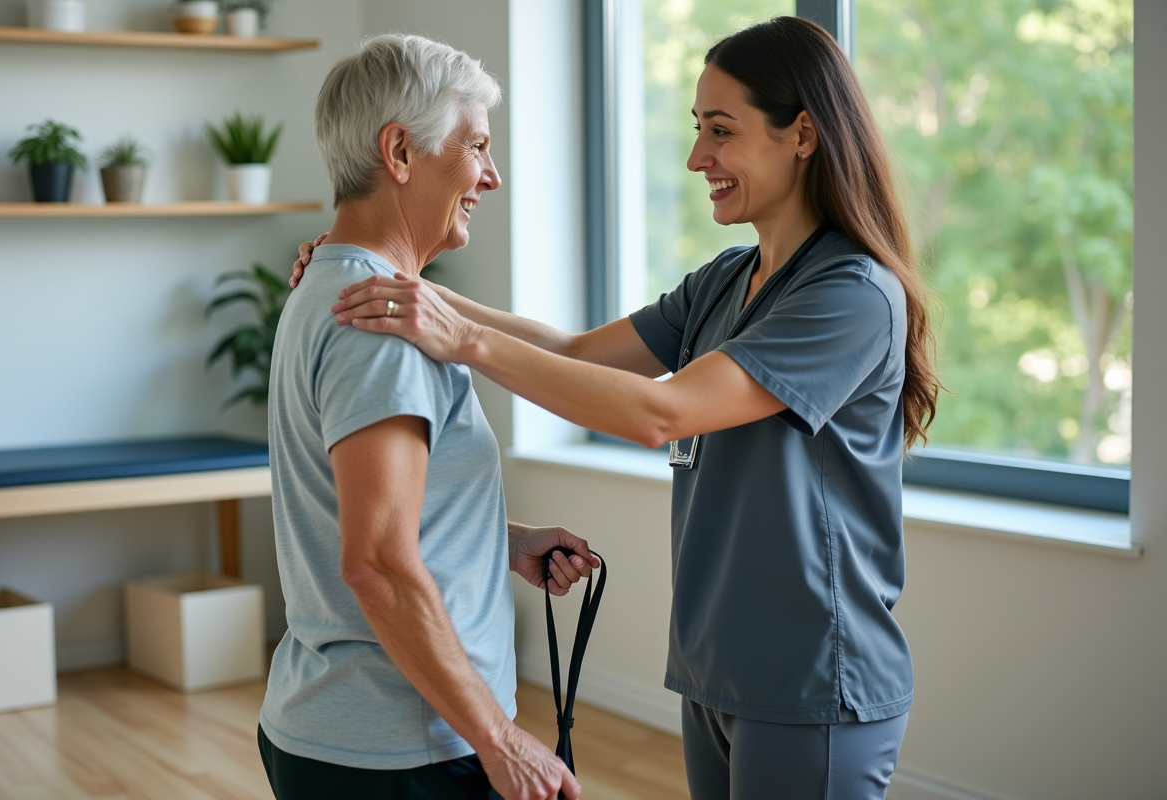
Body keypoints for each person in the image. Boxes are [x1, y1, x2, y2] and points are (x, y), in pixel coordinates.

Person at [295, 16, 942, 800]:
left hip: (813, 676)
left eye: (720, 131)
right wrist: (409, 293)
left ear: (801, 134)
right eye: (697, 129)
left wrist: (459, 333)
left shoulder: (851, 296)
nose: (698, 157)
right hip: (718, 668)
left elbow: (658, 415)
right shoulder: (730, 278)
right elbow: (573, 355)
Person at [261, 33, 600, 800]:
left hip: (336, 727)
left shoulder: (326, 287)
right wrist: (500, 740)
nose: (493, 174)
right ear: (400, 153)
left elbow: (364, 514)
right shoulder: (382, 325)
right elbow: (376, 563)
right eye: (477, 145)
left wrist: (496, 540)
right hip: (401, 749)